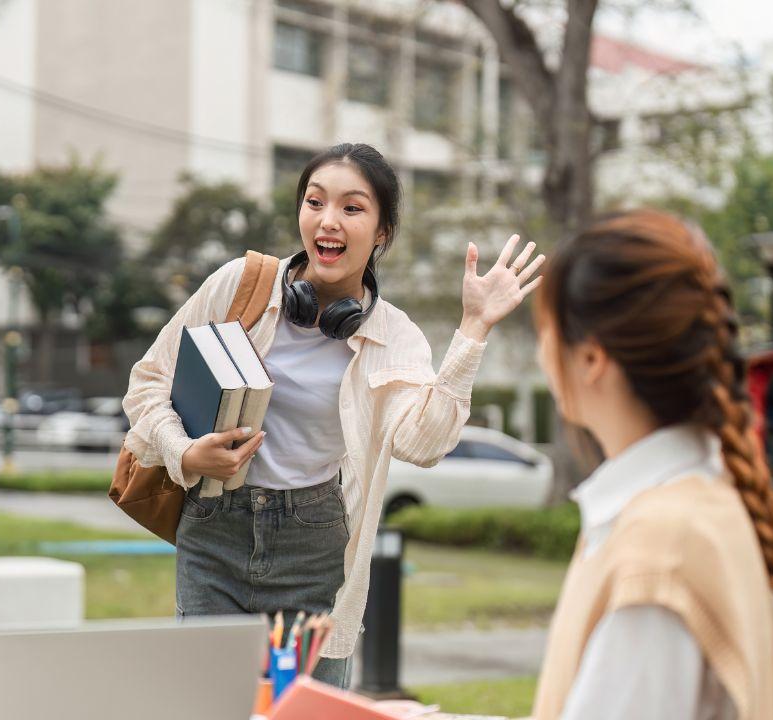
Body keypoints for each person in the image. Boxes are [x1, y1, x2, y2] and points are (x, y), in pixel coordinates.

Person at [122, 143, 543, 687]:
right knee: (209, 703)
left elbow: (425, 443)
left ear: (383, 231)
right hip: (214, 532)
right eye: (315, 202)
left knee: (303, 707)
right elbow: (148, 382)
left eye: (352, 207)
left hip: (314, 547)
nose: (328, 220)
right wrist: (184, 451)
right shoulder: (240, 285)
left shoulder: (395, 337)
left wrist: (473, 330)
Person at [530, 210, 773, 719]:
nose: (541, 354)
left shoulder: (658, 548)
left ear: (592, 359)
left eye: (546, 330)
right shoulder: (698, 502)